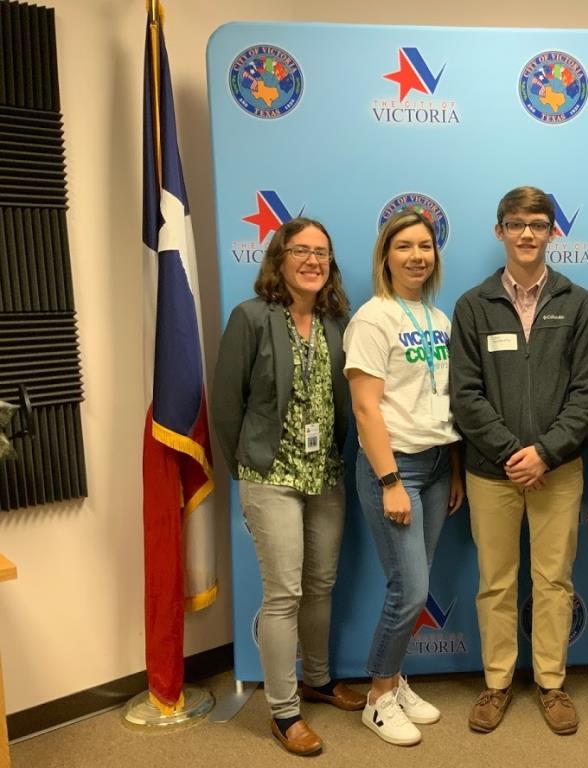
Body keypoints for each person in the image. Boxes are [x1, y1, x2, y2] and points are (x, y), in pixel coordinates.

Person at [450, 186, 588, 736]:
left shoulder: (578, 303)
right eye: (515, 224)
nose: (526, 234)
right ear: (500, 231)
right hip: (491, 472)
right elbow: (464, 393)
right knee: (495, 581)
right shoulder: (473, 305)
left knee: (554, 580)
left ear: (551, 232)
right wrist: (511, 452)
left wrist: (545, 451)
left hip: (558, 470)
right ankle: (496, 684)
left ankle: (551, 682)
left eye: (537, 224)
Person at [211, 217, 363, 757]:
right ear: (280, 258)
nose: (313, 261)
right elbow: (226, 407)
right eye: (301, 250)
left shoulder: (335, 323)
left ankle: (316, 681)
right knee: (284, 594)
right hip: (270, 477)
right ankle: (283, 711)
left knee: (321, 584)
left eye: (323, 252)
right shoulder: (251, 318)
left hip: (324, 477)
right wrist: (247, 469)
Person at [343, 209, 464, 747]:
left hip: (438, 464)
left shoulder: (438, 320)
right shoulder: (373, 319)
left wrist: (455, 468)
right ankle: (376, 696)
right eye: (405, 246)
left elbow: (445, 402)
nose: (417, 255)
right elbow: (366, 410)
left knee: (419, 580)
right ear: (385, 256)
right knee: (408, 589)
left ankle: (396, 680)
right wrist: (391, 480)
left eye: (426, 246)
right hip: (395, 468)